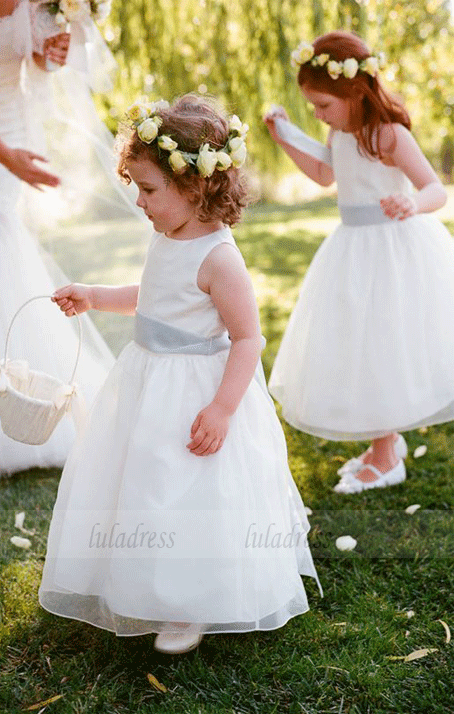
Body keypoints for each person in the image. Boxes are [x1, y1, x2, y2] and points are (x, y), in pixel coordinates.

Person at [38, 94, 321, 654]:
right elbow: (154, 298)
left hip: (195, 390)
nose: (138, 201)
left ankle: (188, 602)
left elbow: (247, 338)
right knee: (142, 484)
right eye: (137, 188)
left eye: (148, 190)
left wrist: (221, 408)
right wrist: (95, 296)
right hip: (146, 382)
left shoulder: (220, 258)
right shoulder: (166, 237)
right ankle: (138, 580)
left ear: (194, 188)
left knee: (185, 490)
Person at [264, 31, 454, 494]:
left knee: (381, 342)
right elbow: (326, 173)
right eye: (313, 108)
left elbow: (435, 188)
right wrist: (286, 135)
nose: (318, 115)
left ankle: (388, 457)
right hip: (351, 247)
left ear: (356, 92)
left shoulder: (389, 134)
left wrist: (412, 204)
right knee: (357, 342)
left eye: (323, 106)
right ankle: (381, 444)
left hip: (392, 249)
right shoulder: (340, 132)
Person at [0, 0, 132, 476]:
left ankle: (22, 402)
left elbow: (38, 65)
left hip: (11, 123)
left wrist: (49, 52)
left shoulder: (43, 4)